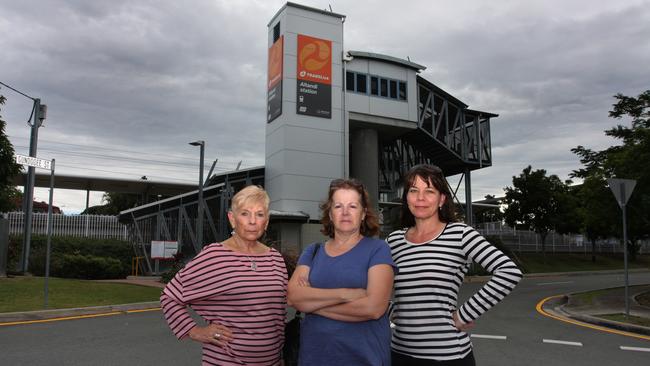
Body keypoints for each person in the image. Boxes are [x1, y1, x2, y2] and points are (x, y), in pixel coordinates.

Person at [387, 164, 523, 366]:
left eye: (429, 191)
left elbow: (509, 272)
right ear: (407, 198)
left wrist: (464, 315)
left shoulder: (460, 234)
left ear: (442, 199)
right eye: (414, 191)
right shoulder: (394, 240)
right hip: (399, 354)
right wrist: (390, 310)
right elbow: (370, 285)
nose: (420, 198)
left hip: (447, 356)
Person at [160, 185, 287, 366]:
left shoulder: (275, 258)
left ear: (266, 221)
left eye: (259, 214)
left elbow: (277, 316)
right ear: (232, 219)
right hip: (226, 361)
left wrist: (280, 357)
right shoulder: (215, 256)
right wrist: (195, 331)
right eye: (244, 213)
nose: (252, 221)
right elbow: (170, 297)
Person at [287, 178, 396, 366]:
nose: (345, 212)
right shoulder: (313, 251)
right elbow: (293, 297)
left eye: (353, 206)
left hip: (364, 358)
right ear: (330, 213)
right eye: (338, 206)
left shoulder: (378, 250)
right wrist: (346, 294)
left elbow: (374, 308)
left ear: (363, 214)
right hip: (315, 358)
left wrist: (312, 304)